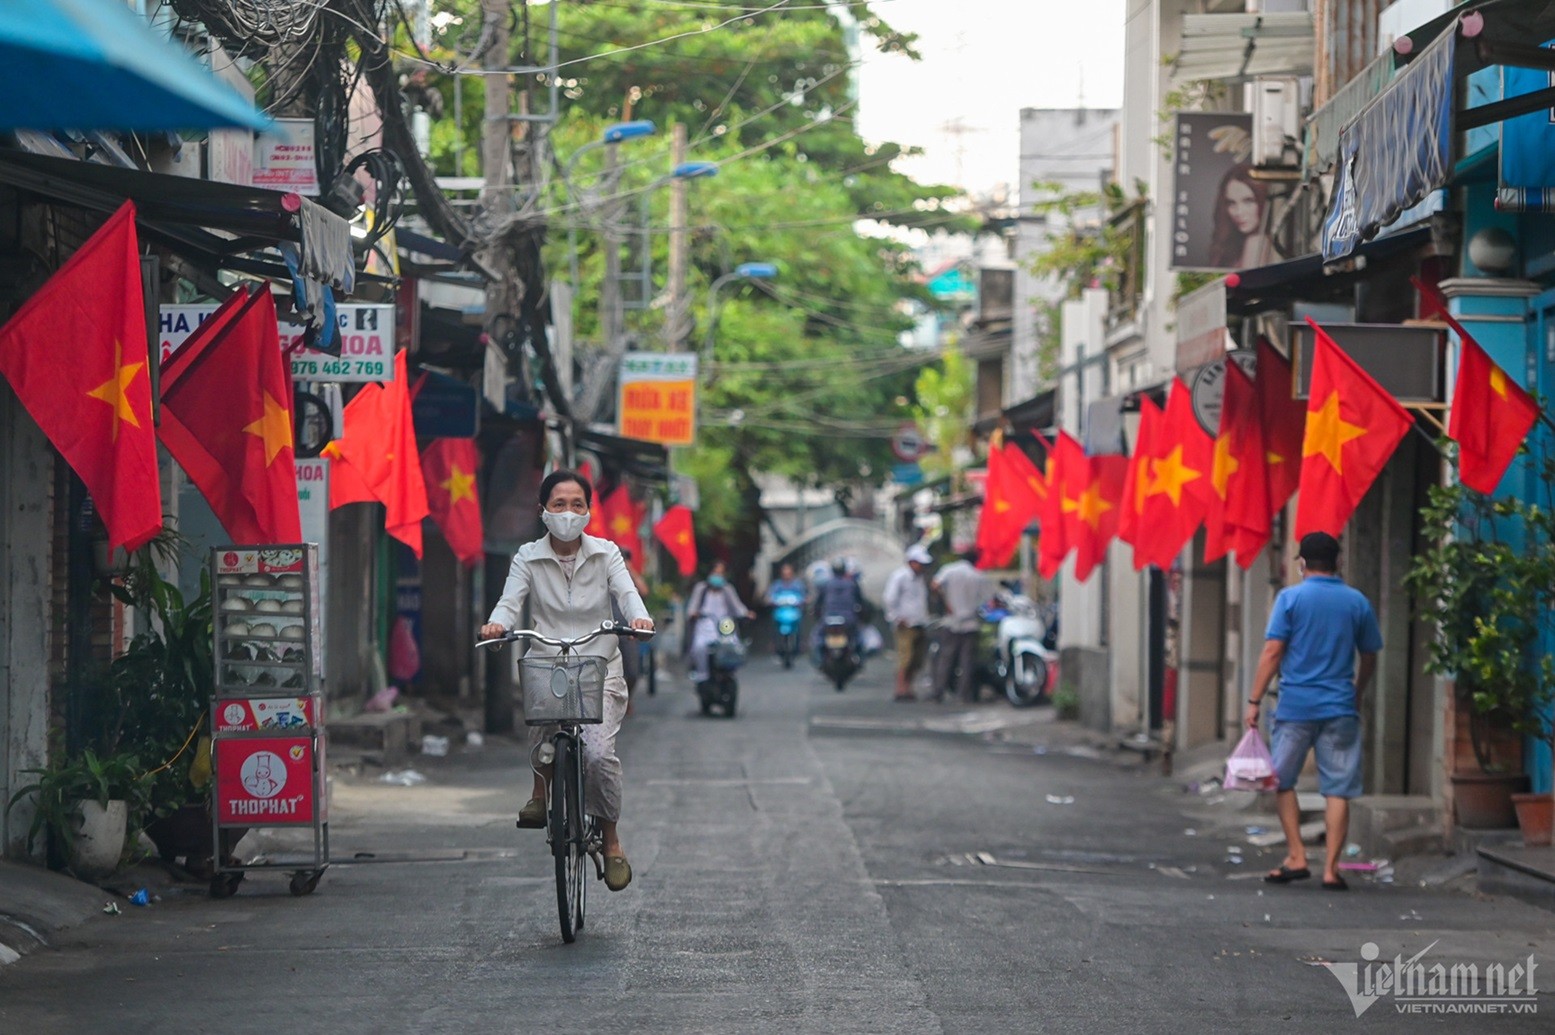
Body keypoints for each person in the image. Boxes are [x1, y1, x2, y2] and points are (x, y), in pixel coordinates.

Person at [479, 469, 653, 893]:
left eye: (577, 505)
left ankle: (610, 839)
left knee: (597, 756)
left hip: (600, 665)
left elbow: (627, 592)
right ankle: (539, 792)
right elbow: (509, 601)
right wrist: (496, 625)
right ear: (543, 511)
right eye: (559, 505)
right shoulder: (527, 558)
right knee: (543, 729)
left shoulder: (607, 553)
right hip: (548, 661)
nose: (568, 513)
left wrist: (638, 616)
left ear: (589, 512)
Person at [1245, 531, 1381, 892]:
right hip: (1340, 707)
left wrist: (1254, 700)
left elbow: (1273, 652)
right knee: (1337, 789)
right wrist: (1357, 691)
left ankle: (1297, 855)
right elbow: (1370, 656)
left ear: (1302, 563)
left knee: (1282, 781)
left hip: (1295, 708)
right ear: (1338, 562)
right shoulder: (1357, 602)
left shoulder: (1290, 598)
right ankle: (1332, 870)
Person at [930, 546, 991, 703]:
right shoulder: (978, 576)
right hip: (970, 623)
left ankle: (939, 691)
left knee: (946, 658)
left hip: (951, 621)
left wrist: (945, 602)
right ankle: (964, 694)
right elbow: (986, 601)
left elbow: (935, 585)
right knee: (967, 661)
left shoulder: (950, 570)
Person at [686, 560, 754, 685]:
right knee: (699, 647)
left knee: (733, 645)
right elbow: (692, 607)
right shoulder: (701, 589)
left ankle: (729, 672)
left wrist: (746, 613)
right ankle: (702, 674)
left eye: (721, 573)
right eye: (715, 573)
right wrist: (693, 613)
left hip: (725, 624)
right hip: (705, 624)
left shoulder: (727, 589)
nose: (718, 577)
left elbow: (737, 607)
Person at [882, 545, 933, 702]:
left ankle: (908, 687)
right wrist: (896, 618)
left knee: (917, 660)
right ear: (911, 562)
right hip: (905, 624)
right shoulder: (900, 577)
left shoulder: (921, 579)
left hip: (920, 622)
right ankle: (900, 688)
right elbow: (889, 599)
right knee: (905, 658)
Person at [1209, 164, 1274, 269]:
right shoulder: (1238, 243)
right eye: (1231, 203)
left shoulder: (1256, 242)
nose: (1238, 212)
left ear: (1263, 199)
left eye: (1248, 201)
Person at [812, 556, 865, 659]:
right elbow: (861, 602)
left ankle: (819, 657)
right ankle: (859, 655)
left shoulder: (826, 584)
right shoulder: (852, 584)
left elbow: (818, 603)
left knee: (818, 635)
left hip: (828, 618)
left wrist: (817, 613)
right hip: (848, 618)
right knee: (858, 635)